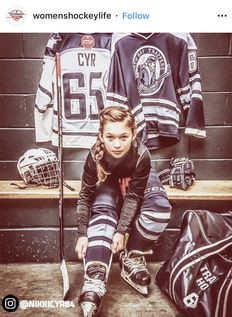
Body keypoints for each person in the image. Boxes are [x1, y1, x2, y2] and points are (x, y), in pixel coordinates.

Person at [75, 106, 172, 317]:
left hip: (135, 179)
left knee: (160, 209)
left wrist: (121, 231)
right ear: (101, 135)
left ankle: (132, 256)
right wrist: (82, 233)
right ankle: (95, 276)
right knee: (103, 209)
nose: (117, 144)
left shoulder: (141, 156)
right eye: (110, 137)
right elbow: (84, 196)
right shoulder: (95, 156)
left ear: (133, 134)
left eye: (123, 137)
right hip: (109, 182)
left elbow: (134, 197)